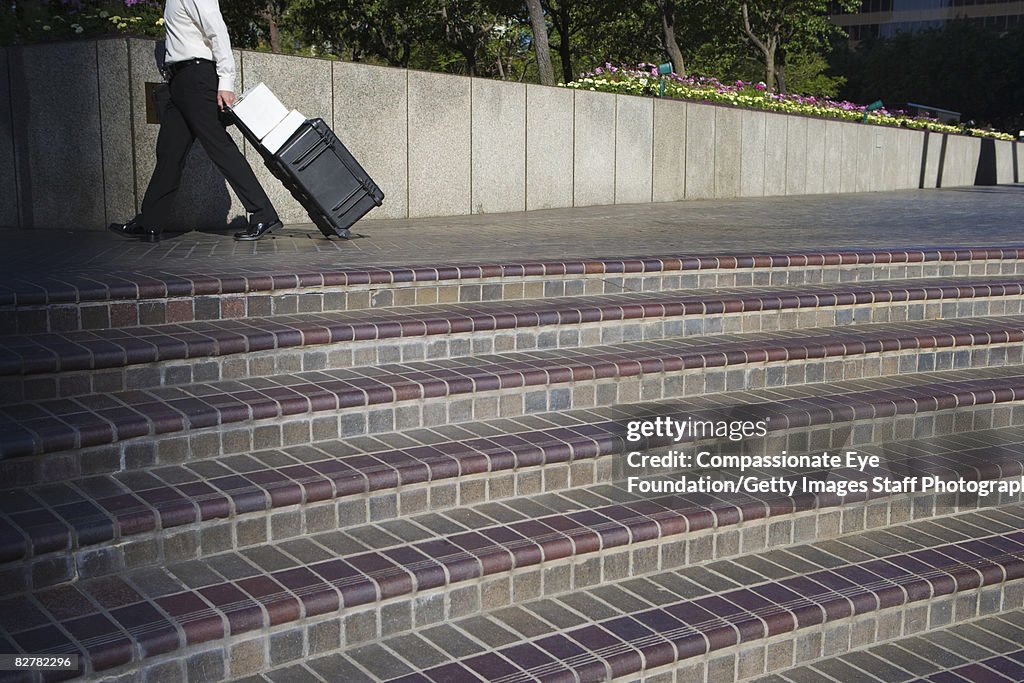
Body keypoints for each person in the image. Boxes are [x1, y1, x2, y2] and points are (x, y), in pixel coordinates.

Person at [109, 0, 281, 242]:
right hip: (179, 82)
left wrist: (226, 82)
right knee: (169, 153)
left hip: (198, 78)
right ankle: (150, 221)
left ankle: (264, 213)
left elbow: (217, 30)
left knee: (220, 147)